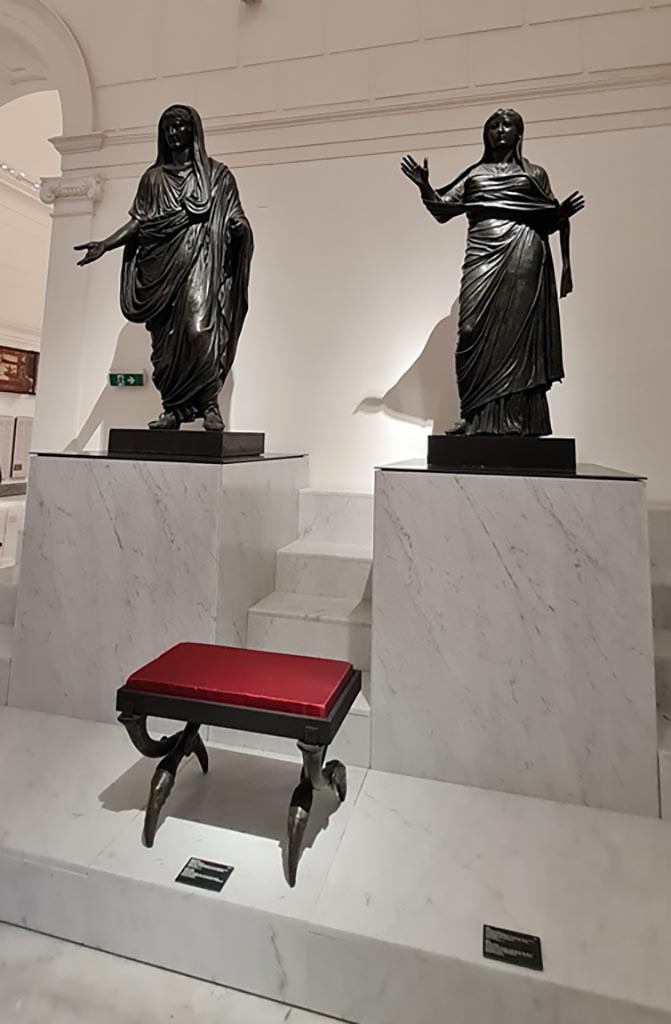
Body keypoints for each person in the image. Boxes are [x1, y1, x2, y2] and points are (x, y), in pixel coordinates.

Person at [401, 108, 584, 436]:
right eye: (493, 126)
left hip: (524, 252)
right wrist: (424, 186)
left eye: (507, 125)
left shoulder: (534, 175)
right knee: (470, 329)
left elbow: (549, 219)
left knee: (518, 337)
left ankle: (518, 421)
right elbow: (443, 209)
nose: (499, 130)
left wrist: (561, 215)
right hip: (483, 251)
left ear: (519, 133)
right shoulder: (475, 175)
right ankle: (474, 416)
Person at [75, 104, 253, 431]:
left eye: (179, 126)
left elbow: (234, 215)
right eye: (167, 127)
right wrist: (105, 244)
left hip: (201, 261)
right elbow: (139, 224)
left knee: (200, 330)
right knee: (166, 345)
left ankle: (210, 405)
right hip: (161, 270)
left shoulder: (217, 177)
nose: (173, 133)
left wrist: (239, 229)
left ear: (193, 130)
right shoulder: (153, 179)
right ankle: (172, 409)